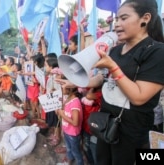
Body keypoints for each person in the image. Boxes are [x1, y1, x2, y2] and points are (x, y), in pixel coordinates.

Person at [56, 0, 164, 164]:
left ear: (145, 18)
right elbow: (104, 79)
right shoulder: (115, 50)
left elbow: (139, 97)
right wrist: (79, 82)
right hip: (106, 124)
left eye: (124, 18)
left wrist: (112, 66)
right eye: (116, 19)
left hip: (131, 132)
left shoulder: (156, 51)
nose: (117, 24)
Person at [55, 86, 84, 165]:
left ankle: (80, 162)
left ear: (70, 88)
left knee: (76, 151)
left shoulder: (75, 102)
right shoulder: (68, 99)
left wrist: (62, 114)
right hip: (67, 130)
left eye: (62, 87)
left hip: (73, 134)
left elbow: (75, 123)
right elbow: (63, 112)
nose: (60, 89)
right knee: (69, 148)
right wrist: (58, 111)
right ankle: (70, 160)